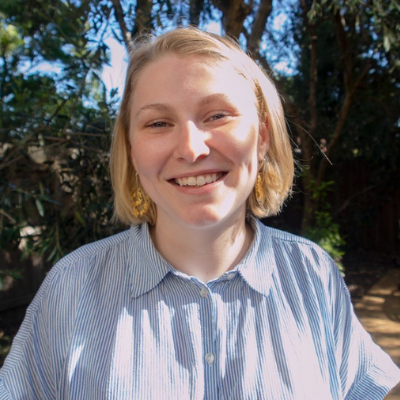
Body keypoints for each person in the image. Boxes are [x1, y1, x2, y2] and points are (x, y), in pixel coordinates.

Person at [0, 27, 399, 400]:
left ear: (261, 138)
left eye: (217, 115)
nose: (191, 149)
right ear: (132, 150)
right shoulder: (71, 287)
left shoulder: (313, 274)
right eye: (158, 122)